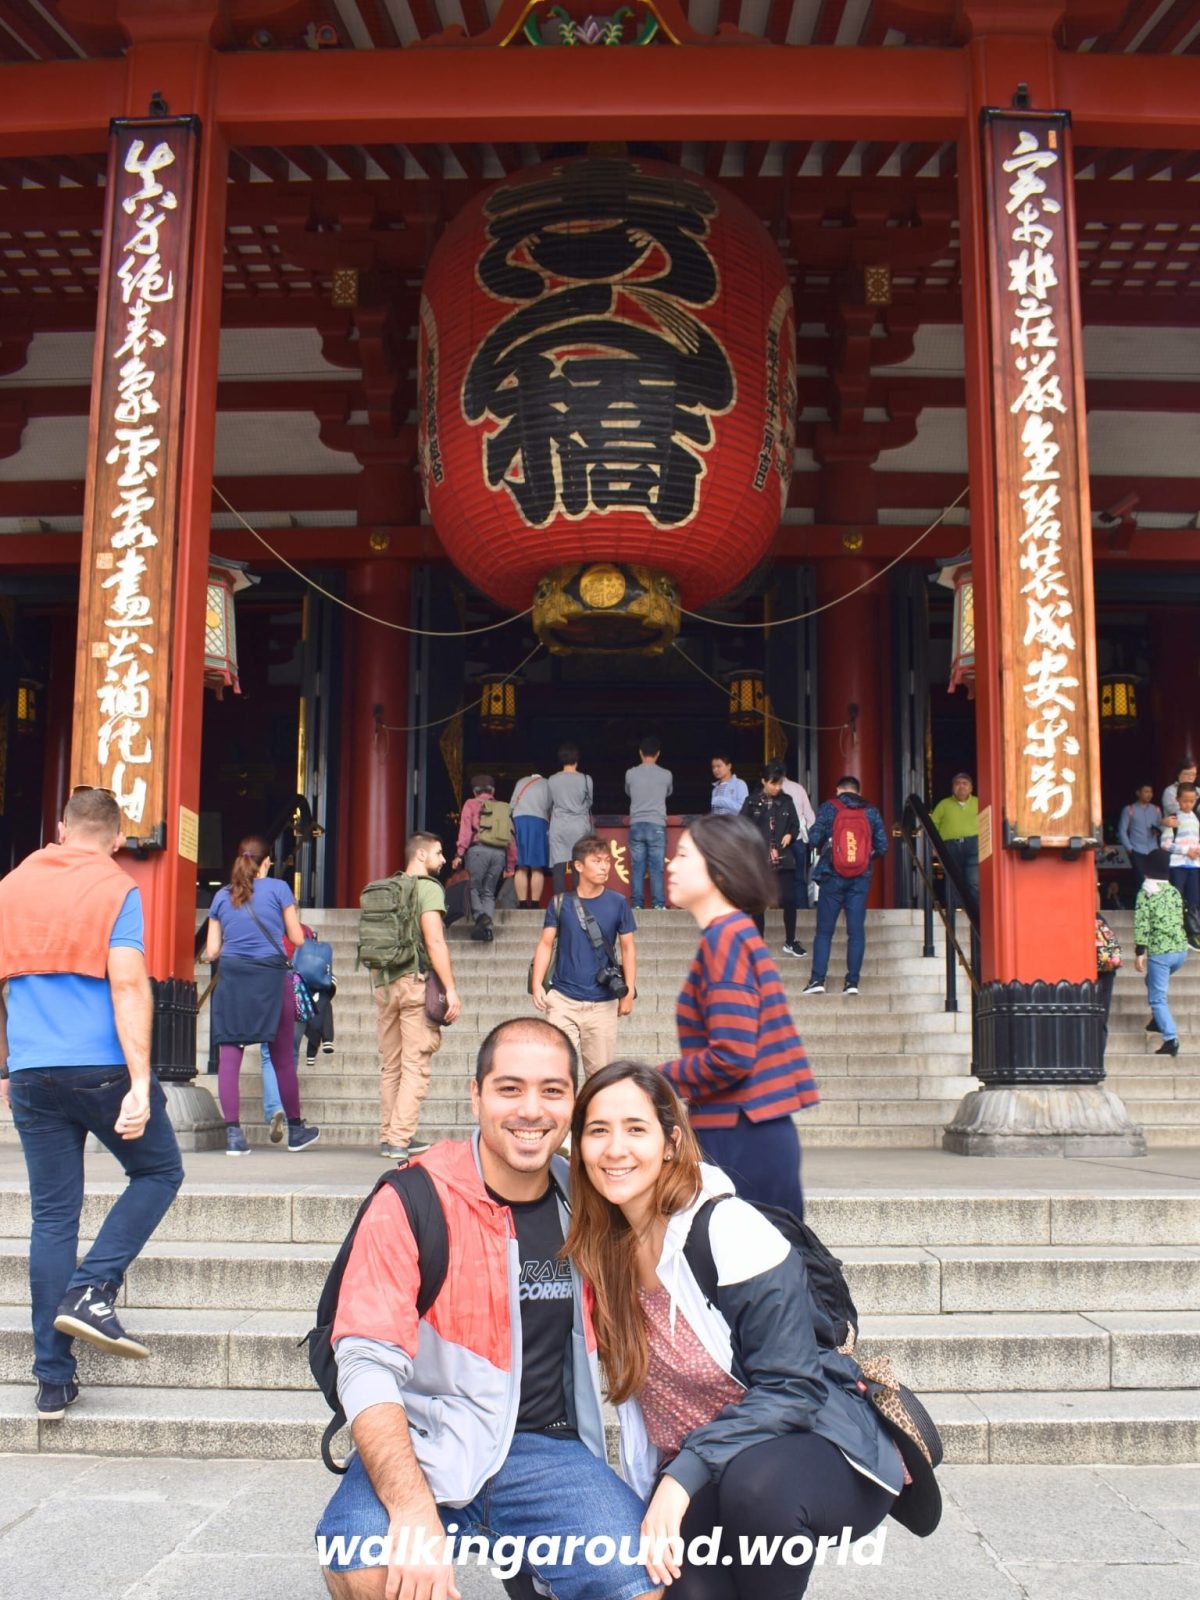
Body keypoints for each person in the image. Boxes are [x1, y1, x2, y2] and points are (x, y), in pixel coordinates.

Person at [315, 1018, 660, 1600]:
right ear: (475, 1095)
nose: (532, 1109)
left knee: (640, 1583)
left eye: (552, 1091)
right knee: (366, 1569)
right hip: (429, 1437)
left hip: (546, 1449)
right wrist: (412, 1511)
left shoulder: (589, 1199)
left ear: (573, 1103)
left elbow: (678, 1207)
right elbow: (366, 1361)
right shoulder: (413, 1197)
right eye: (509, 1088)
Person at [566, 1062, 902, 1600]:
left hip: (808, 1450)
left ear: (671, 1142)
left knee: (755, 1486)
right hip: (704, 1474)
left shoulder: (728, 1229)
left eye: (635, 1128)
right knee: (682, 1590)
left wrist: (679, 1481)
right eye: (597, 1130)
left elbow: (793, 1388)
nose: (615, 1148)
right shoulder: (601, 1252)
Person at [0, 786, 184, 1418]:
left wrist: (7, 1061)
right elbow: (129, 982)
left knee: (53, 1218)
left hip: (30, 1071)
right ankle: (92, 1288)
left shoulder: (12, 886)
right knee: (159, 1170)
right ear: (115, 838)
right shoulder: (114, 887)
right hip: (101, 1069)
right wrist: (141, 1080)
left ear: (59, 828)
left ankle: (53, 1378)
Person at [662, 814, 817, 1216]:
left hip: (741, 1133)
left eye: (682, 855)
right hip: (746, 1128)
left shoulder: (725, 940)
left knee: (751, 1272)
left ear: (719, 867)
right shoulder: (734, 934)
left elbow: (732, 1055)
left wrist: (657, 1077)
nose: (670, 864)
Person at [206, 835, 320, 1154]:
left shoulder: (221, 897)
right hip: (271, 978)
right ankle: (296, 1131)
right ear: (267, 861)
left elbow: (213, 949)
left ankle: (233, 1136)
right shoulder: (279, 889)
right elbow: (296, 937)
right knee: (282, 1057)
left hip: (232, 979)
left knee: (230, 1055)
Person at [370, 831, 461, 1163]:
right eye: (438, 853)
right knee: (415, 1064)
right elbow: (435, 942)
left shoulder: (387, 887)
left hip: (383, 983)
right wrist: (451, 989)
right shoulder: (427, 888)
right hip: (413, 981)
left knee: (391, 1064)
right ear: (421, 855)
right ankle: (398, 1138)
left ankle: (390, 1132)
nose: (442, 859)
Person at [531, 833, 637, 1078]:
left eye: (607, 861)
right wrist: (537, 984)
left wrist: (629, 991)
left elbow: (628, 948)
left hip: (603, 1002)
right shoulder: (559, 903)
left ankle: (590, 1117)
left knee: (599, 1077)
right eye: (597, 861)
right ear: (578, 866)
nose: (604, 867)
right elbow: (546, 944)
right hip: (562, 1000)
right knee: (556, 1071)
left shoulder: (619, 902)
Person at [804, 777, 889, 998]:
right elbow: (882, 846)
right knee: (856, 931)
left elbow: (813, 838)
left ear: (838, 790)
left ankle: (817, 980)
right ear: (859, 791)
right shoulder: (871, 811)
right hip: (860, 878)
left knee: (824, 931)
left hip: (832, 875)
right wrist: (864, 859)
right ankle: (852, 982)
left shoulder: (830, 807)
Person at [742, 762, 805, 957]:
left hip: (783, 856)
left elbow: (795, 825)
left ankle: (790, 940)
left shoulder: (787, 800)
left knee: (789, 898)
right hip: (759, 858)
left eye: (779, 784)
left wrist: (791, 835)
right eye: (773, 783)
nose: (777, 788)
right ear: (763, 781)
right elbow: (741, 825)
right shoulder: (752, 801)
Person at [1134, 848, 1189, 1058]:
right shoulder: (1174, 891)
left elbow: (1142, 923)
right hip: (1180, 952)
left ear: (1147, 870)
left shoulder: (1146, 892)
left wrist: (1140, 951)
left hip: (1161, 952)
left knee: (1157, 999)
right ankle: (1158, 1019)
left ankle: (1170, 1038)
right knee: (1152, 981)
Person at [451, 775, 517, 942]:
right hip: (499, 854)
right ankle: (486, 930)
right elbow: (511, 839)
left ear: (474, 791)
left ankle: (481, 917)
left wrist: (459, 853)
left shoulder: (471, 804)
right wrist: (510, 866)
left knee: (472, 888)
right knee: (488, 892)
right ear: (493, 791)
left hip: (478, 851)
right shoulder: (503, 808)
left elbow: (465, 831)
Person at [626, 735, 673, 911]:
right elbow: (668, 793)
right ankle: (658, 904)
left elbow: (628, 791)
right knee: (656, 867)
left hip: (637, 824)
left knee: (637, 866)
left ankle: (637, 904)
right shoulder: (666, 774)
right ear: (658, 754)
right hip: (657, 825)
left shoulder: (630, 773)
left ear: (640, 753)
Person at [548, 744, 594, 896]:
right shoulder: (586, 779)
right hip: (579, 826)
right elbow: (589, 803)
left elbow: (549, 803)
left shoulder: (552, 780)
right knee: (577, 864)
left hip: (559, 826)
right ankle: (577, 901)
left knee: (559, 866)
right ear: (577, 759)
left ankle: (559, 904)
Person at [928, 773, 980, 905]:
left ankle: (975, 911)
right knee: (953, 879)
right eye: (957, 784)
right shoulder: (944, 804)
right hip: (949, 845)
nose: (961, 787)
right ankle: (956, 910)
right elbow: (932, 825)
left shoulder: (979, 802)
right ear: (952, 788)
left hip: (974, 844)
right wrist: (934, 846)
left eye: (965, 783)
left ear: (971, 788)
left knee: (973, 880)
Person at [510, 770, 552, 909]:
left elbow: (511, 805)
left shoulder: (520, 781)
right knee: (537, 866)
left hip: (519, 822)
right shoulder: (547, 784)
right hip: (538, 823)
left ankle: (522, 903)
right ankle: (534, 903)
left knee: (520, 865)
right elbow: (550, 808)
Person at [1161, 781, 1200, 919]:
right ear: (1177, 799)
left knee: (1194, 900)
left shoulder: (1197, 819)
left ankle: (1192, 932)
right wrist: (1186, 851)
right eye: (1185, 801)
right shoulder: (1173, 819)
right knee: (1176, 898)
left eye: (1192, 801)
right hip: (1177, 866)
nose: (1188, 804)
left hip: (1195, 865)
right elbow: (1165, 844)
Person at [1117, 783, 1163, 892]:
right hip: (1137, 850)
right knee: (1141, 880)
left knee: (1155, 880)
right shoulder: (1129, 809)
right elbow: (1122, 831)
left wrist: (1158, 831)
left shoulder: (1156, 809)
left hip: (1153, 850)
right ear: (1138, 793)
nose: (1149, 795)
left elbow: (1161, 827)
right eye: (1146, 792)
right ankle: (1142, 906)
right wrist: (1129, 848)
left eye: (1151, 792)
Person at [709, 753, 748, 818]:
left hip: (733, 826)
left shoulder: (739, 784)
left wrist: (723, 801)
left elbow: (744, 809)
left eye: (719, 766)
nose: (715, 770)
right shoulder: (715, 789)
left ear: (729, 766)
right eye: (713, 767)